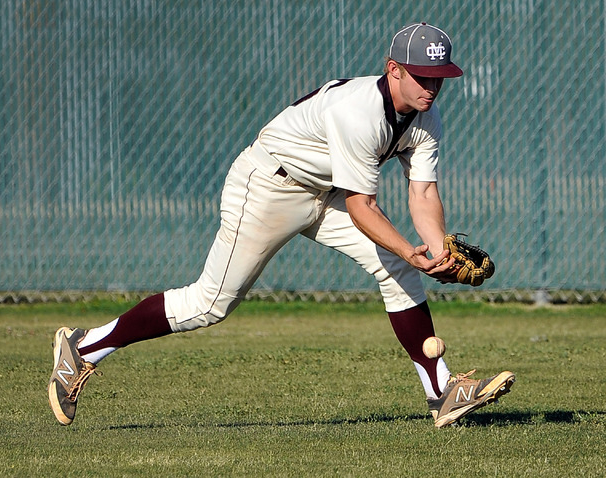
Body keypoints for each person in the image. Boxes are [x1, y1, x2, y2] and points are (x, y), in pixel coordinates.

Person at [48, 22, 514, 428]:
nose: (432, 86)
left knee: (399, 271)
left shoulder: (425, 115)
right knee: (209, 304)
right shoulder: (359, 113)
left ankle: (442, 392)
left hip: (323, 190)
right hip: (269, 185)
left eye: (440, 77)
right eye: (422, 76)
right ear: (394, 69)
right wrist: (412, 250)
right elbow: (362, 206)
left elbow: (424, 193)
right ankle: (83, 348)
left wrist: (437, 252)